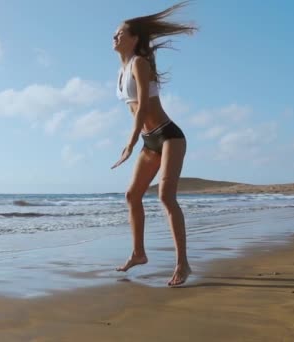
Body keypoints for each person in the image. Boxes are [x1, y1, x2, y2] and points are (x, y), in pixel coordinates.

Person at [110, 1, 197, 286]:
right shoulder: (121, 72)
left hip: (168, 135)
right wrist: (138, 140)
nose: (115, 37)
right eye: (115, 34)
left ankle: (183, 263)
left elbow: (145, 107)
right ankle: (138, 253)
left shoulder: (139, 63)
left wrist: (130, 142)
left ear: (134, 39)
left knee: (165, 197)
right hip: (150, 141)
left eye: (120, 33)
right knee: (132, 196)